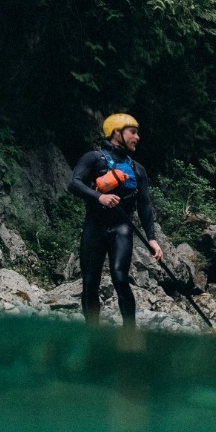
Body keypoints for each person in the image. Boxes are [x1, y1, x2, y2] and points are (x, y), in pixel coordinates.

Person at [68, 112, 162, 326]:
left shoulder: (138, 169)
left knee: (120, 278)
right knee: (90, 282)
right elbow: (74, 183)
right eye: (133, 132)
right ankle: (92, 332)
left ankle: (129, 333)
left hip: (122, 229)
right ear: (116, 133)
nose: (137, 137)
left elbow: (144, 205)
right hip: (94, 226)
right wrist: (99, 196)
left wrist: (152, 238)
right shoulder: (93, 158)